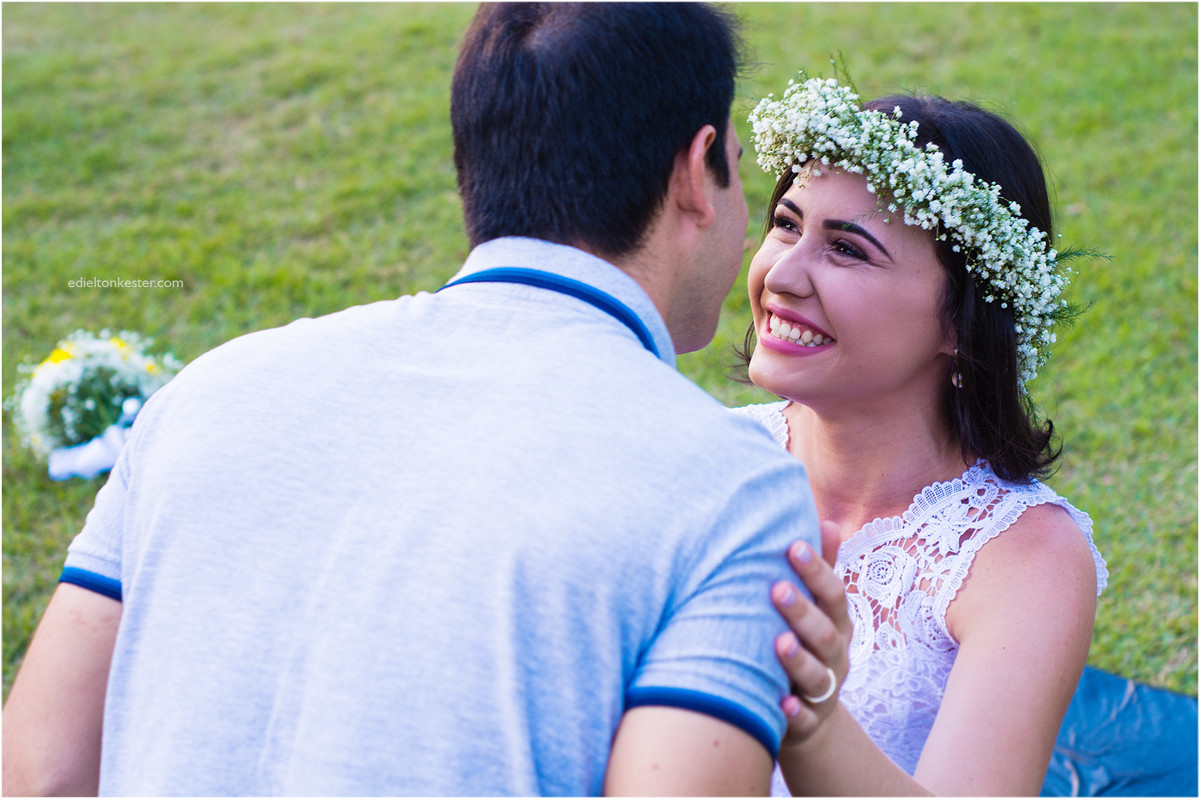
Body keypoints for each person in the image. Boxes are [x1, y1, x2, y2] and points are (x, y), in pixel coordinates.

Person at [1, 5, 821, 796]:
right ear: (695, 169)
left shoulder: (206, 393)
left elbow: (42, 772)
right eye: (740, 171)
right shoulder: (731, 487)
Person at [733, 75, 1109, 795]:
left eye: (847, 250)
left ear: (959, 324)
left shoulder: (1022, 555)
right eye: (787, 223)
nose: (782, 273)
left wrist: (811, 717)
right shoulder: (709, 464)